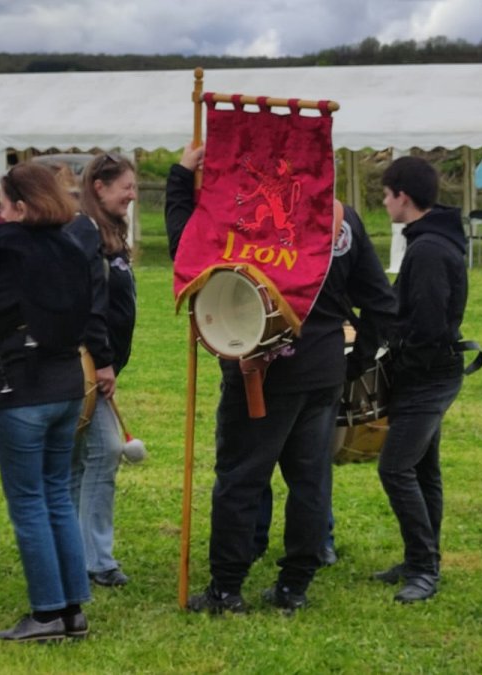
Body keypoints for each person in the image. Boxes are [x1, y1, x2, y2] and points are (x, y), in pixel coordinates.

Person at [166, 143, 396, 614]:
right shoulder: (341, 219)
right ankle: (294, 588)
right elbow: (380, 302)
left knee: (241, 479)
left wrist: (180, 180)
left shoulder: (251, 217)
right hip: (323, 368)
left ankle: (226, 590)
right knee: (310, 480)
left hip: (265, 373)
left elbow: (186, 255)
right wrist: (354, 359)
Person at [0, 162, 92, 643]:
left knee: (30, 502)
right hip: (68, 382)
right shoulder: (73, 242)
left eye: (2, 200)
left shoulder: (3, 242)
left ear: (19, 204)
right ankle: (72, 610)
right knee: (56, 495)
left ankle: (48, 611)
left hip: (22, 387)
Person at [371, 156, 469, 604]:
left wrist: (386, 334)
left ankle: (425, 569)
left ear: (402, 197)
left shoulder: (428, 249)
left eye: (386, 196)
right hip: (432, 372)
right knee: (423, 468)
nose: (384, 203)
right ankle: (419, 559)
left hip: (428, 375)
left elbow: (427, 324)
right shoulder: (431, 240)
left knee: (395, 468)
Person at [66, 152, 138, 587]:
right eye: (126, 186)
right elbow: (88, 303)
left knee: (79, 458)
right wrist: (103, 362)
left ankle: (77, 552)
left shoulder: (106, 231)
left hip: (98, 365)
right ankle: (97, 560)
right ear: (100, 187)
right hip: (86, 366)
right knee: (105, 449)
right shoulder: (84, 231)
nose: (132, 194)